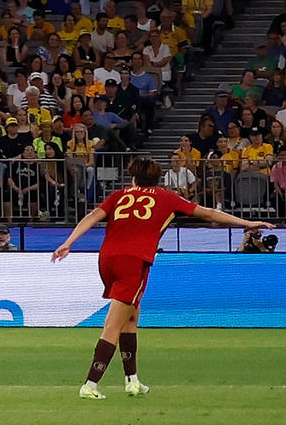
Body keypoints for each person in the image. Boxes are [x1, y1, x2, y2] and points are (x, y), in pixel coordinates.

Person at [54, 164, 222, 397]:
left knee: (131, 317)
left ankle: (132, 380)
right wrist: (248, 223)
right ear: (157, 180)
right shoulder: (166, 197)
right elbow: (209, 213)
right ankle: (90, 385)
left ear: (133, 179)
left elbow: (93, 215)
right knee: (113, 325)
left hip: (107, 259)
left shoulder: (119, 195)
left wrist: (68, 242)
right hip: (134, 261)